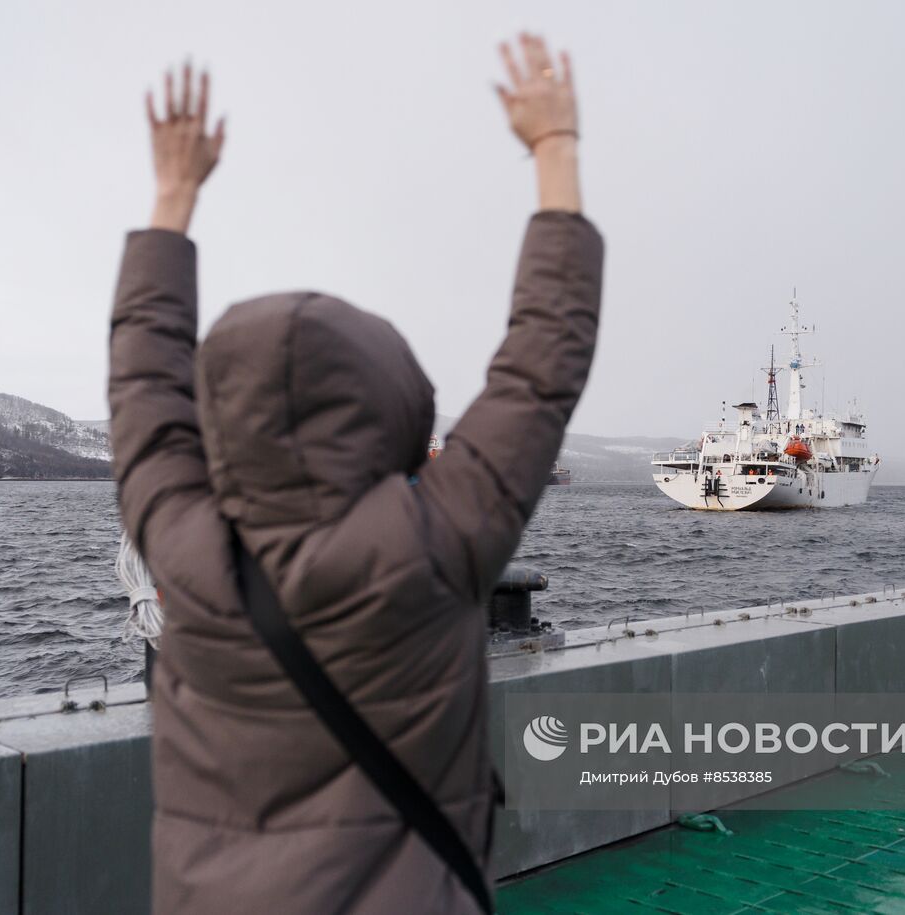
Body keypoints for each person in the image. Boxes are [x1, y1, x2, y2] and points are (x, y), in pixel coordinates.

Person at [107, 34, 604, 914]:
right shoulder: (441, 538)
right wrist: (555, 148)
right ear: (398, 409)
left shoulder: (181, 544)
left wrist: (172, 193)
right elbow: (543, 360)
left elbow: (143, 381)